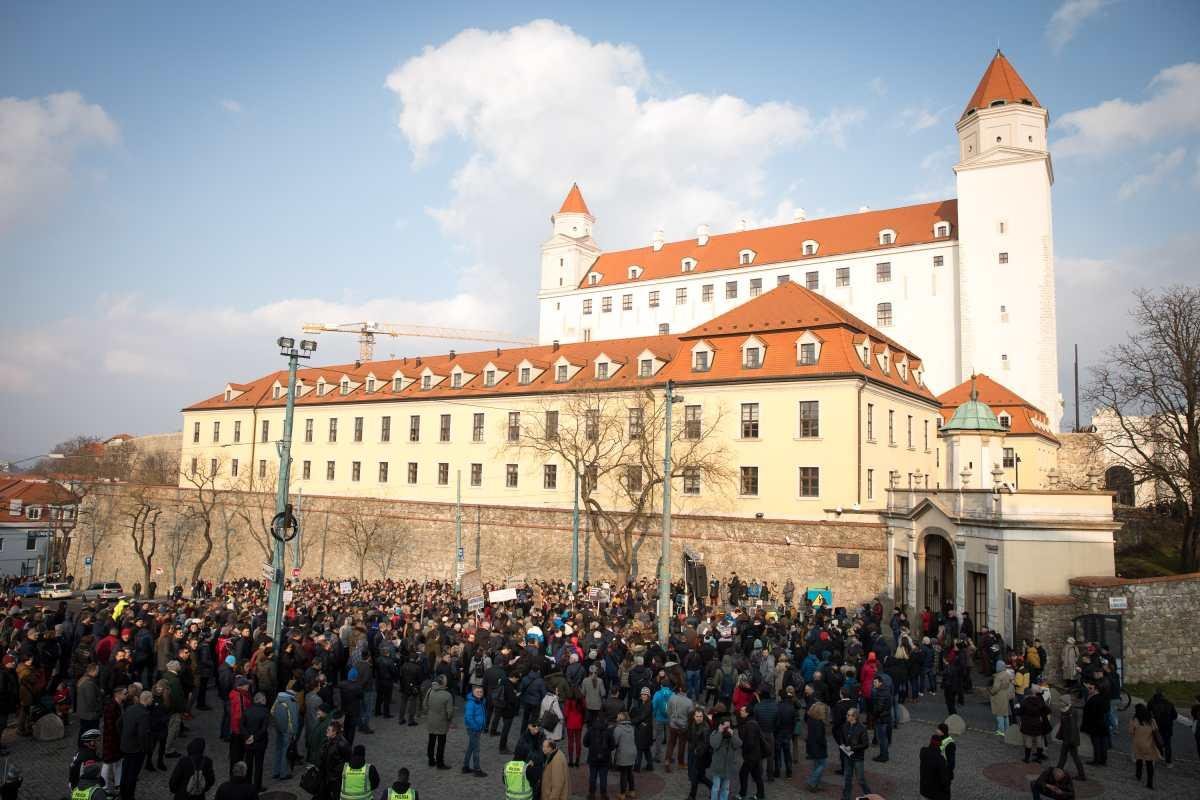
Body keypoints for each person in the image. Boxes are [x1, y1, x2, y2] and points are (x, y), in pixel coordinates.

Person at [119, 690, 153, 800]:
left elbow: (119, 723)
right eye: (151, 698)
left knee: (125, 771)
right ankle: (129, 796)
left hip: (125, 745)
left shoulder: (130, 708)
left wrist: (123, 736)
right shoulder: (144, 714)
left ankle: (122, 794)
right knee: (132, 775)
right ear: (147, 699)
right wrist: (145, 749)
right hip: (136, 749)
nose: (152, 700)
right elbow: (143, 734)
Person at [240, 692, 270, 791]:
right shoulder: (265, 711)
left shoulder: (247, 710)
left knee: (248, 763)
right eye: (264, 699)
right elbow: (263, 729)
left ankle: (247, 784)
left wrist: (248, 736)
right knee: (259, 765)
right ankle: (257, 786)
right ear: (261, 700)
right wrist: (255, 737)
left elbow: (242, 726)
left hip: (248, 742)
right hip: (260, 742)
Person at [708, 711, 740, 800]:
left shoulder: (732, 734)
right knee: (716, 788)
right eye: (725, 726)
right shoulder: (715, 733)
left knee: (725, 789)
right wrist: (720, 732)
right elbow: (714, 745)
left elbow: (738, 744)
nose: (727, 729)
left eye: (728, 727)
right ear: (720, 725)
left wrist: (733, 735)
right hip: (718, 766)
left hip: (728, 767)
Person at [840, 707, 871, 800]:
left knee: (861, 779)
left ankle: (869, 796)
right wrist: (843, 745)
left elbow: (865, 744)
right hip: (847, 756)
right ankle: (846, 797)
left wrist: (852, 748)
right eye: (847, 714)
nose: (847, 716)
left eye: (849, 715)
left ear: (854, 717)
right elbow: (842, 737)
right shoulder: (845, 726)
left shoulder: (861, 728)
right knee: (847, 778)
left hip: (858, 758)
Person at [1128, 703, 1161, 790]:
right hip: (1148, 744)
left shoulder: (1134, 720)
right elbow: (1156, 731)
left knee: (1139, 759)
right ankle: (1149, 782)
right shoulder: (1151, 720)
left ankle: (1138, 775)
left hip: (1137, 743)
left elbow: (1131, 732)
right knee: (1149, 763)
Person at [270, 683, 299, 781]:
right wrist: (294, 733)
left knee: (278, 748)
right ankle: (284, 773)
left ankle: (276, 771)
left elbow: (272, 712)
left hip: (278, 727)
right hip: (287, 730)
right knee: (286, 750)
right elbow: (293, 719)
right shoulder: (292, 702)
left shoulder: (279, 697)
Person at [736, 704, 765, 800]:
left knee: (743, 773)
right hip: (756, 754)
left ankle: (742, 794)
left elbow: (749, 742)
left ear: (747, 713)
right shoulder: (752, 722)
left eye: (742, 711)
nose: (740, 712)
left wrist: (744, 748)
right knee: (756, 775)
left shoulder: (750, 724)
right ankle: (760, 795)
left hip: (751, 756)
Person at [1053, 697, 1085, 781]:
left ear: (1065, 702)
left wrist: (1070, 740)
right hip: (1067, 738)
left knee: (1074, 756)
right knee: (1064, 755)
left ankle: (1081, 775)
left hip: (1070, 739)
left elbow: (1072, 728)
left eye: (1061, 701)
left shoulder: (1070, 712)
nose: (1060, 703)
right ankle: (1058, 769)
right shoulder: (1066, 710)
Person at [425, 675, 453, 770]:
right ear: (444, 683)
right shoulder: (447, 695)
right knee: (441, 743)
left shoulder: (430, 691)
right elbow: (450, 712)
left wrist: (430, 713)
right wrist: (449, 720)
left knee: (431, 741)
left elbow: (424, 705)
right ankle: (440, 763)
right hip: (442, 722)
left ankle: (431, 760)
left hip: (431, 720)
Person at [1019, 684, 1051, 763]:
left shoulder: (1025, 701)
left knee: (1028, 740)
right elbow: (1048, 710)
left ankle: (1027, 758)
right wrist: (1041, 716)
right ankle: (1038, 758)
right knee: (1039, 740)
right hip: (1038, 723)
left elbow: (1020, 711)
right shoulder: (1040, 701)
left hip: (1028, 723)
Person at [584, 715, 613, 800]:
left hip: (592, 757)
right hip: (605, 758)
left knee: (592, 776)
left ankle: (591, 794)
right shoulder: (608, 731)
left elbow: (585, 743)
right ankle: (603, 794)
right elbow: (612, 745)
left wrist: (591, 746)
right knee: (603, 777)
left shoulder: (590, 730)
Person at [610, 710, 637, 800]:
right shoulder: (632, 728)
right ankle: (632, 791)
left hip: (623, 753)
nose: (616, 718)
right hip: (632, 752)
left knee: (623, 774)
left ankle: (622, 793)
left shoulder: (618, 729)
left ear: (621, 718)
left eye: (618, 717)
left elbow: (615, 742)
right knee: (630, 772)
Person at [1080, 683, 1108, 767]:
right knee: (1102, 743)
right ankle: (1103, 760)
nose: (1088, 690)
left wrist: (1084, 726)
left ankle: (1097, 760)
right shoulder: (1103, 698)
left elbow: (1088, 714)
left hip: (1094, 725)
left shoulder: (1093, 700)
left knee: (1096, 743)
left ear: (1096, 690)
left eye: (1090, 688)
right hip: (1102, 724)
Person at [1146, 689, 1177, 765]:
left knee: (1157, 741)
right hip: (1167, 726)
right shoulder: (1169, 703)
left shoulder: (1151, 702)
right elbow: (1175, 716)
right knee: (1167, 744)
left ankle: (1160, 756)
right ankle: (1168, 762)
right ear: (1163, 695)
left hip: (1156, 726)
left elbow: (1147, 713)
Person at [463, 684, 488, 777]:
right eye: (477, 692)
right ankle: (477, 769)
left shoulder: (480, 701)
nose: (479, 693)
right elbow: (468, 718)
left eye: (481, 692)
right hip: (474, 729)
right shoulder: (471, 703)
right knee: (476, 749)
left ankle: (465, 766)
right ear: (473, 692)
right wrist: (476, 727)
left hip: (477, 728)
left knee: (471, 747)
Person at [805, 701, 828, 792]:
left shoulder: (810, 720)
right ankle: (812, 782)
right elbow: (820, 737)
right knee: (822, 765)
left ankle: (816, 784)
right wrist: (824, 743)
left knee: (816, 765)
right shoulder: (819, 723)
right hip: (818, 747)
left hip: (811, 745)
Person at [919, 734, 951, 800]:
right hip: (934, 794)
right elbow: (944, 780)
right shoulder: (940, 760)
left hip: (924, 790)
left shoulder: (923, 752)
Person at [989, 660, 1013, 736]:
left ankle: (1001, 730)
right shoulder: (1007, 674)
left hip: (999, 695)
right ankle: (1007, 730)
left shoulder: (998, 676)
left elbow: (995, 687)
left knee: (999, 714)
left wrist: (991, 691)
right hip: (1006, 694)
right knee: (1005, 714)